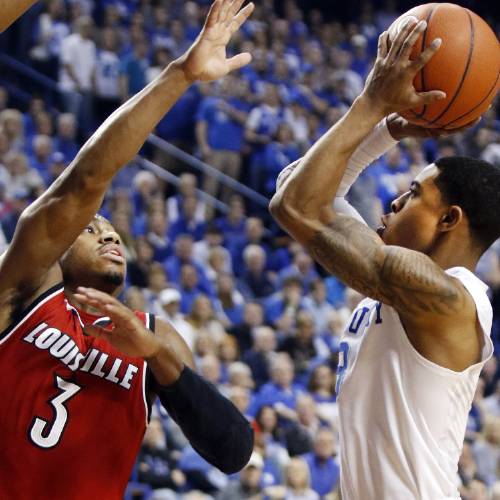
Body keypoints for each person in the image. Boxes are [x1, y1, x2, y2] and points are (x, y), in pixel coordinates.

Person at [0, 1, 255, 498]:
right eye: (91, 229)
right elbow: (85, 181)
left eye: (113, 232)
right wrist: (181, 76)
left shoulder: (152, 337)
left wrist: (157, 354)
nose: (110, 235)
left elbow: (234, 450)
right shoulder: (23, 291)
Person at [270, 19, 497, 499]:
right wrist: (388, 130)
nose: (393, 203)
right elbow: (297, 183)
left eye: (413, 194)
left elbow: (297, 204)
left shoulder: (450, 298)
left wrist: (372, 102)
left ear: (449, 219)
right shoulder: (401, 281)